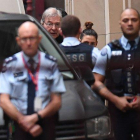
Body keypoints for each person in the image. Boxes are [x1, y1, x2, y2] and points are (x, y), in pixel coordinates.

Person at [0, 21, 66, 140]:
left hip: (44, 123)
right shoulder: (10, 65)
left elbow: (56, 101)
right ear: (18, 41)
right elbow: (3, 100)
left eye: (32, 38)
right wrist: (24, 121)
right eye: (24, 39)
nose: (29, 43)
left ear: (39, 39)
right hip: (18, 125)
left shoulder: (50, 64)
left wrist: (36, 118)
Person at [92, 8, 140, 140]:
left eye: (134, 20)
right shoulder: (108, 50)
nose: (130, 23)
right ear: (120, 23)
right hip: (117, 113)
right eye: (126, 20)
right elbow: (95, 81)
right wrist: (115, 100)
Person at [60, 15, 97, 85]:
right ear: (80, 30)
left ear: (61, 31)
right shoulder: (93, 52)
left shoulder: (54, 53)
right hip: (86, 94)